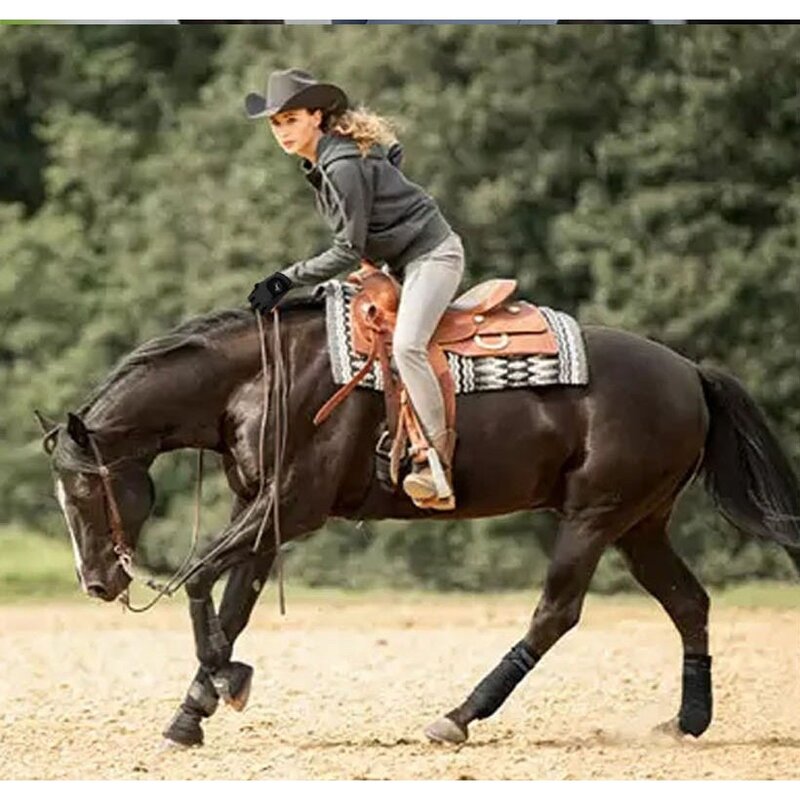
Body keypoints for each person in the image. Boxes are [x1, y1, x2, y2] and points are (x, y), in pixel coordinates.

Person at [246, 68, 465, 509]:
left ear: (317, 117)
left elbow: (347, 247)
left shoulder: (340, 165)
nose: (283, 131)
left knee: (407, 347)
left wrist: (284, 278)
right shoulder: (322, 164)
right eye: (276, 123)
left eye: (291, 119)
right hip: (400, 262)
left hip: (434, 256)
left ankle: (436, 463)